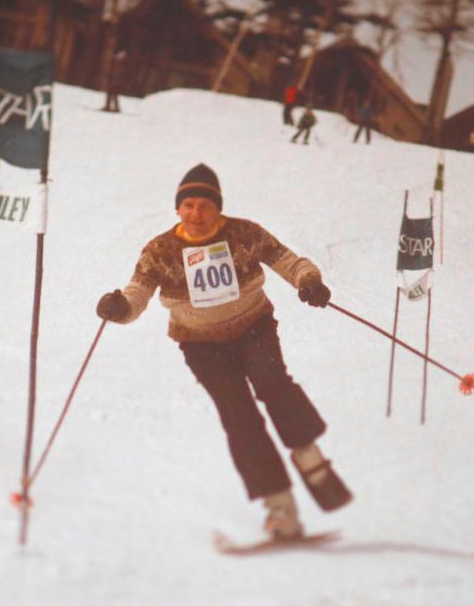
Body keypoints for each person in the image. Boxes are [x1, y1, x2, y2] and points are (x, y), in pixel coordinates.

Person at [95, 163, 352, 540]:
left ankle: (312, 462)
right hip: (200, 344)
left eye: (204, 205)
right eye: (188, 206)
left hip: (253, 328)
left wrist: (308, 281)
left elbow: (286, 259)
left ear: (218, 208)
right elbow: (138, 291)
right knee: (238, 416)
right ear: (178, 209)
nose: (196, 214)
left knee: (273, 383)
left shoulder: (243, 233)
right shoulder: (161, 249)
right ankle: (281, 510)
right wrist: (120, 308)